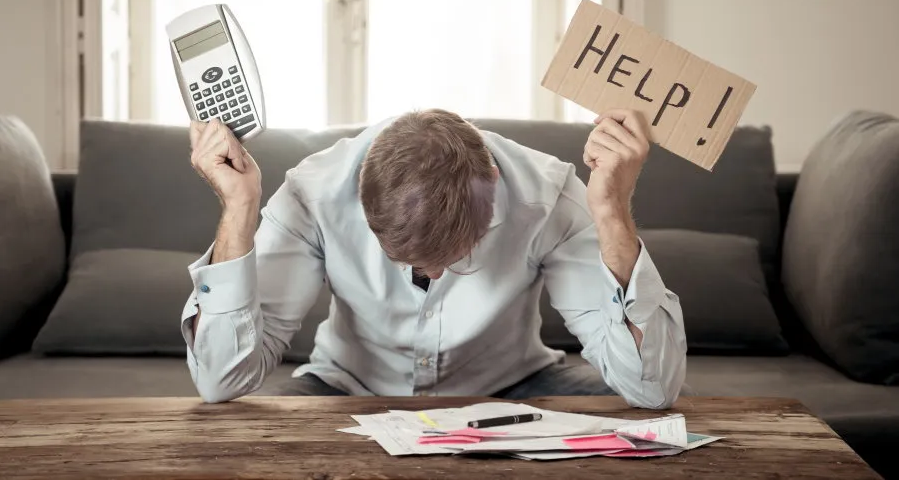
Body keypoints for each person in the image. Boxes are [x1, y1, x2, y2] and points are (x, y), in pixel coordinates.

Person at [182, 108, 687, 407]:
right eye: (410, 264)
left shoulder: (549, 196)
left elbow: (651, 387)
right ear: (360, 199)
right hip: (348, 385)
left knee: (652, 435)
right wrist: (240, 206)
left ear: (494, 187)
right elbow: (222, 378)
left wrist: (612, 212)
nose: (435, 278)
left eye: (458, 258)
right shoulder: (312, 194)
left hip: (512, 384)